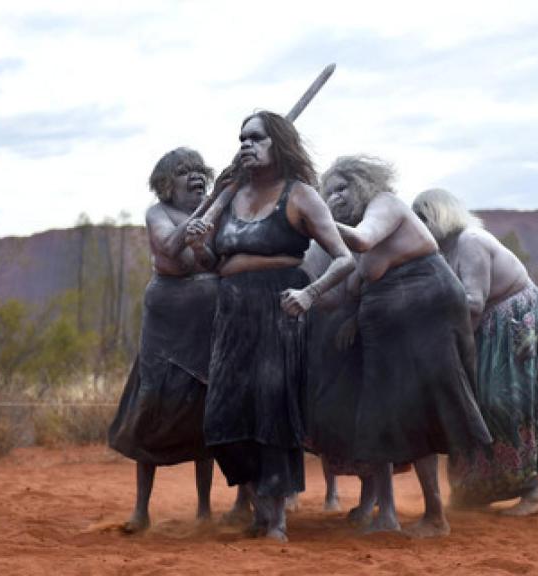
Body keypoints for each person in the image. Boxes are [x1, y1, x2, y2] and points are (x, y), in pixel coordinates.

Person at [186, 111, 354, 542]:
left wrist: (309, 295)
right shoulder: (230, 195)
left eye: (256, 137)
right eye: (241, 138)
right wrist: (199, 243)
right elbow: (209, 263)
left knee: (272, 414)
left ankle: (274, 519)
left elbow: (343, 258)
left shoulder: (300, 196)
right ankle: (260, 505)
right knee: (221, 418)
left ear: (278, 143)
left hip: (280, 308)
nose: (246, 144)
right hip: (232, 311)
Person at [318, 155, 492, 536]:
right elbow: (351, 287)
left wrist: (315, 216)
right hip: (384, 322)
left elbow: (364, 238)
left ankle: (435, 515)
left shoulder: (386, 205)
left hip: (425, 312)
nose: (335, 197)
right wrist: (307, 296)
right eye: (328, 193)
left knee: (422, 410)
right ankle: (388, 515)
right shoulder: (351, 239)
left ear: (364, 183)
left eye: (343, 187)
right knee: (380, 415)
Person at [412, 188, 538, 516]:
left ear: (440, 215)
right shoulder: (440, 251)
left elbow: (473, 301)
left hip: (512, 318)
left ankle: (532, 492)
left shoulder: (470, 241)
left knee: (503, 400)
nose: (418, 224)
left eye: (423, 217)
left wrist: (443, 339)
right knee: (473, 403)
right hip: (484, 325)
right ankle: (478, 491)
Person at [107, 147, 220, 533]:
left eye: (199, 172)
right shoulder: (157, 213)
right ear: (166, 185)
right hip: (166, 324)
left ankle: (205, 510)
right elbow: (169, 247)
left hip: (205, 325)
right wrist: (189, 232)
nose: (195, 178)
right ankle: (142, 509)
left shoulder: (215, 211)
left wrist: (205, 236)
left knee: (202, 411)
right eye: (185, 172)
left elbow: (212, 260)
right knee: (153, 405)